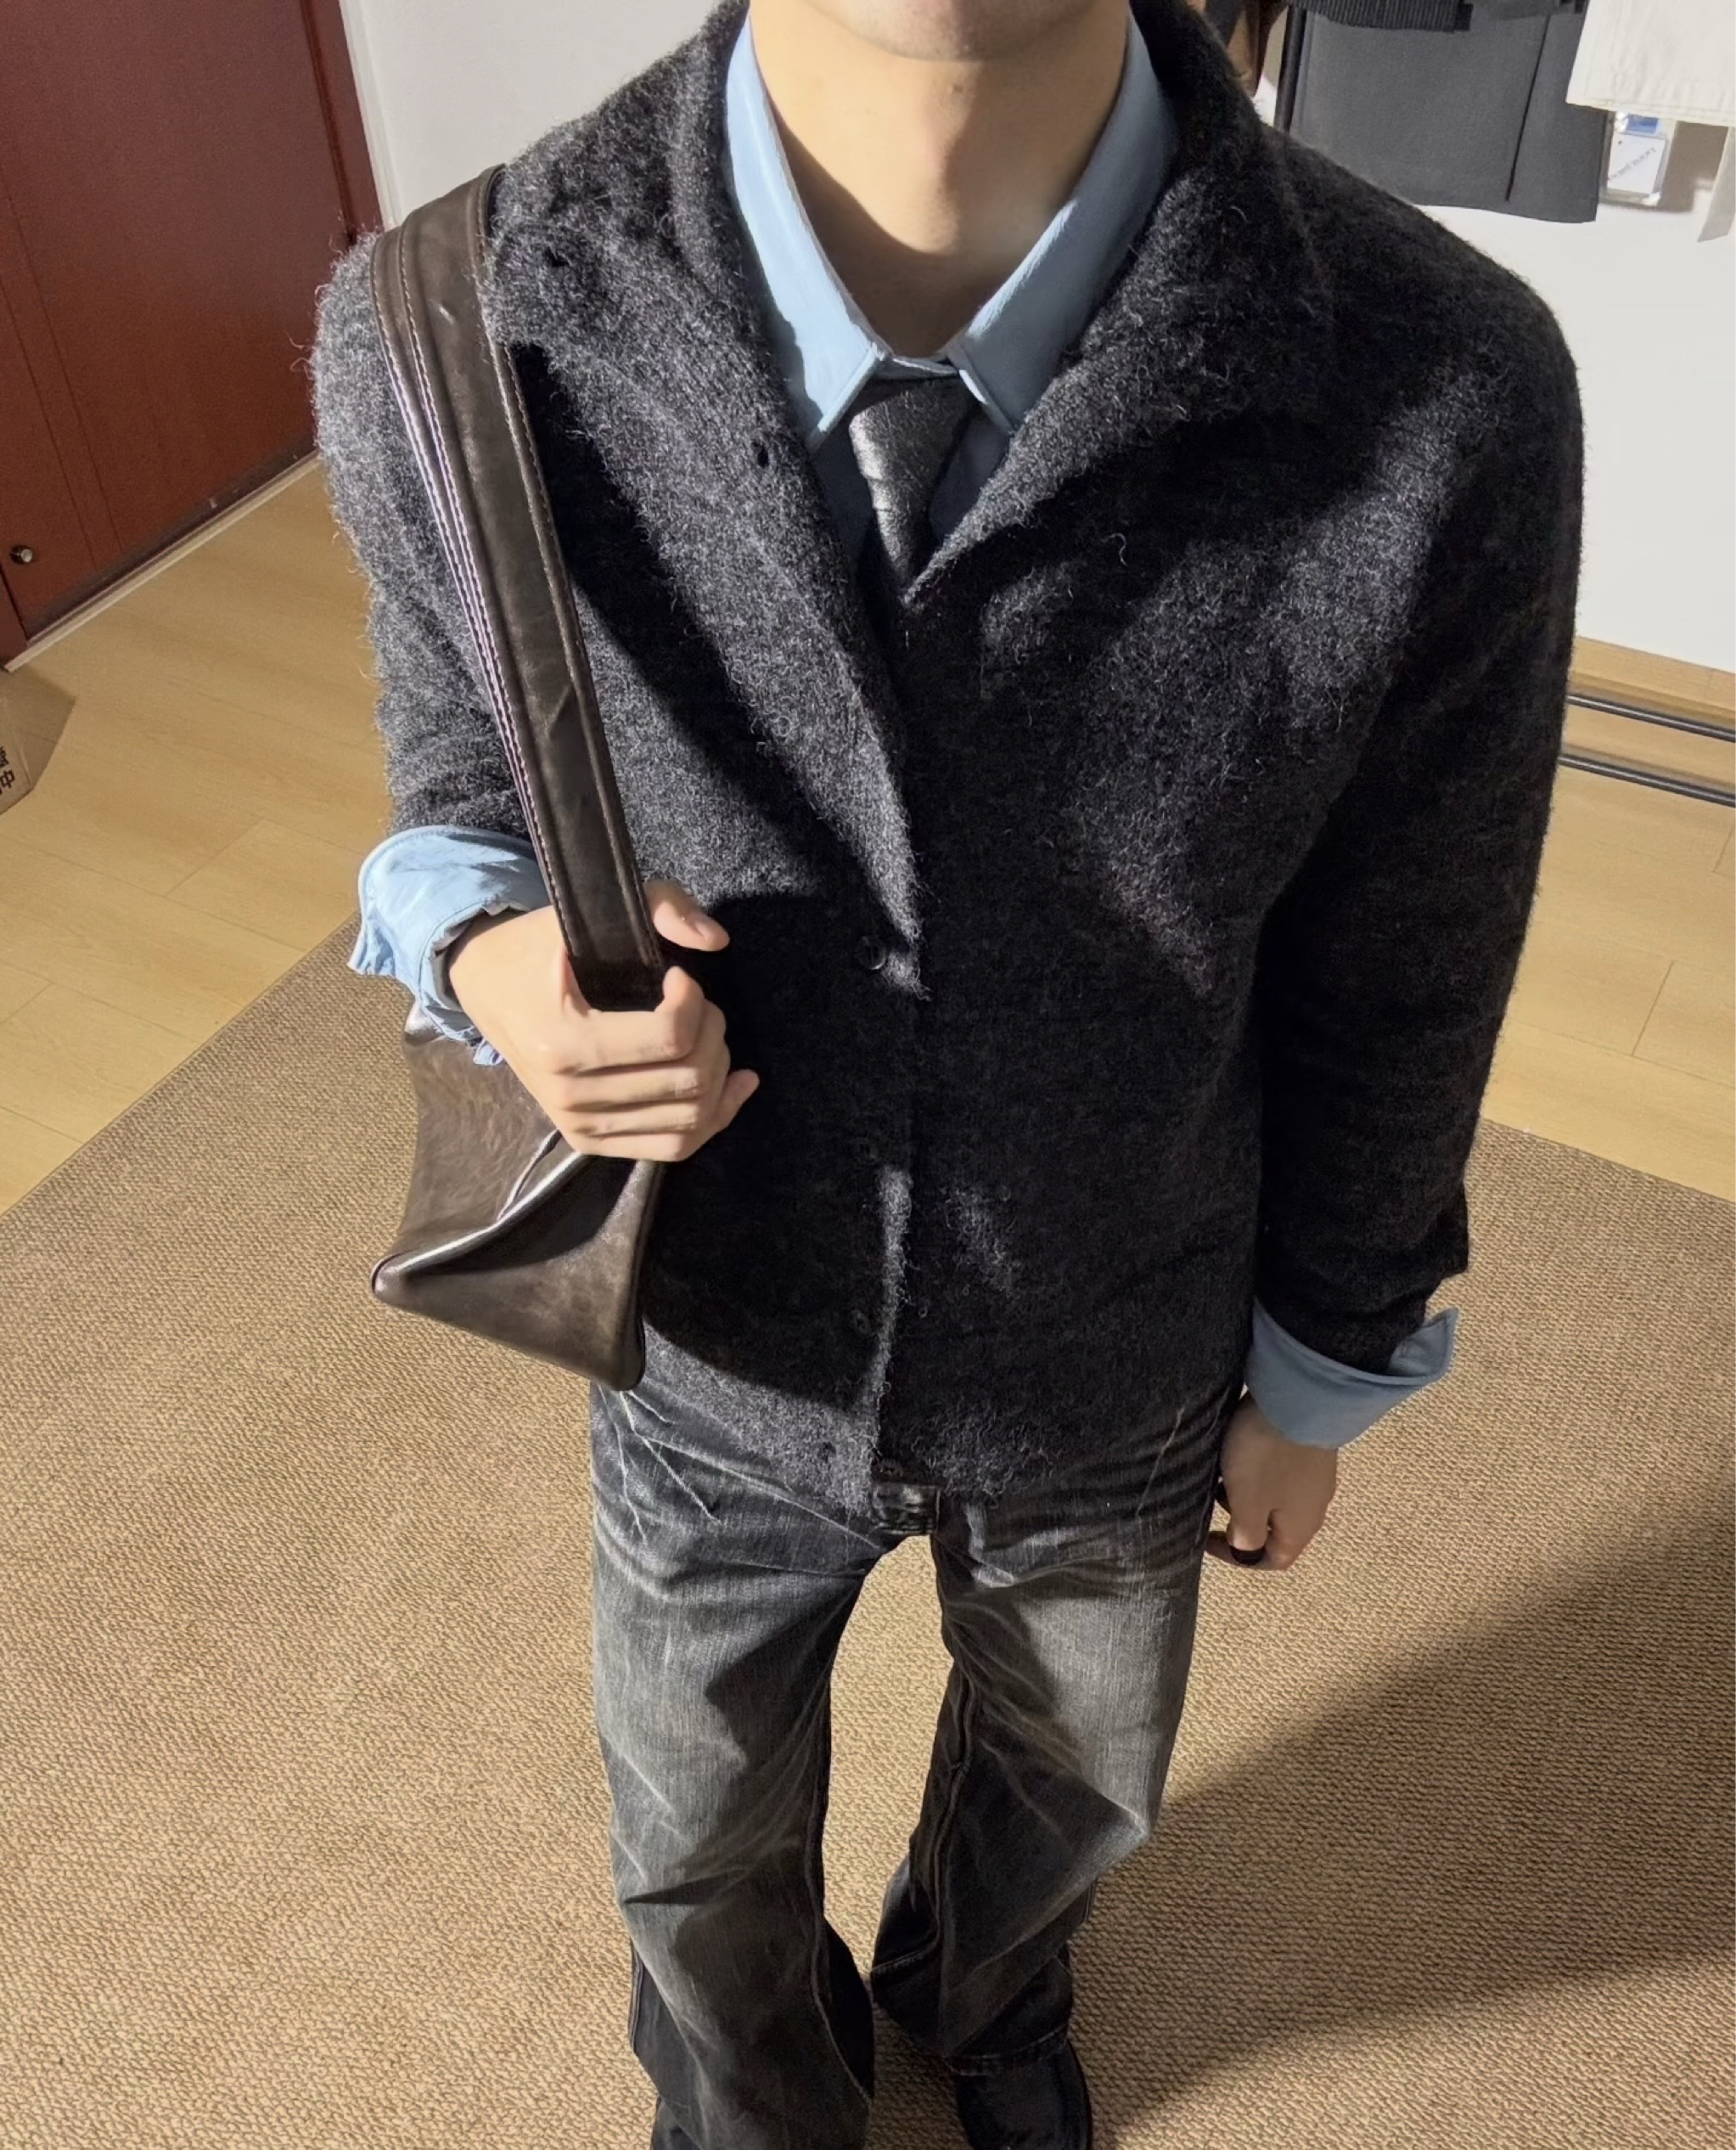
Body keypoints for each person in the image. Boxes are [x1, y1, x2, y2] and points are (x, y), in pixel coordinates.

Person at [309, 0, 1584, 2142]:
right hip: (710, 1345)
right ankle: (749, 2094)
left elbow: (1410, 965)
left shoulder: (1444, 382)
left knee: (1079, 1783)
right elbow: (461, 771)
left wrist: (1328, 1362)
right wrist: (477, 947)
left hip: (1126, 1335)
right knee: (691, 1834)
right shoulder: (450, 321)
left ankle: (981, 2001)